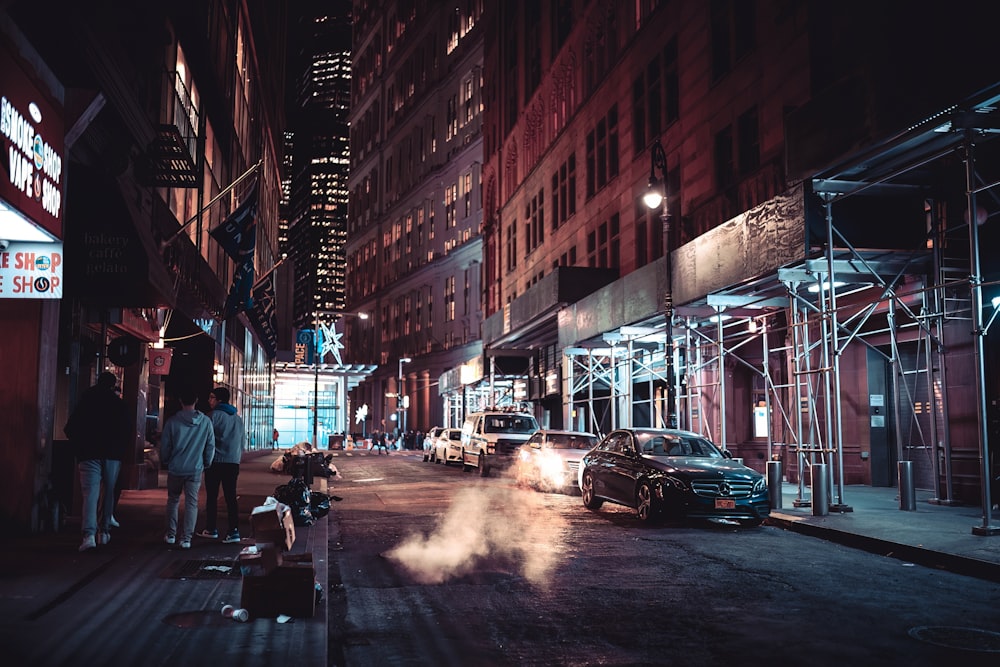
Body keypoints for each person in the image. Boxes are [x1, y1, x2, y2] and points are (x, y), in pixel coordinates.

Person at [64, 371, 131, 552]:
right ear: (112, 385)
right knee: (108, 492)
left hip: (88, 454)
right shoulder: (119, 405)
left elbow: (70, 428)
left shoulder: (85, 402)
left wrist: (80, 446)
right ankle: (104, 532)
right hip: (112, 455)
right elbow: (127, 432)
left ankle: (88, 535)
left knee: (90, 495)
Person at [160, 389, 215, 549]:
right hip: (195, 468)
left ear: (180, 401)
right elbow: (210, 445)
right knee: (192, 503)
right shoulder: (205, 422)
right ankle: (186, 539)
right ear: (196, 400)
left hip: (176, 468)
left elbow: (165, 445)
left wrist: (166, 461)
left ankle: (170, 535)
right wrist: (206, 462)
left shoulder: (172, 422)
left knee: (173, 500)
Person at [198, 387, 245, 543]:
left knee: (212, 496)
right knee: (231, 497)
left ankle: (211, 529)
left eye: (211, 397)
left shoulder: (212, 417)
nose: (209, 400)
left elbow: (205, 439)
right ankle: (234, 531)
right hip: (233, 463)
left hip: (216, 462)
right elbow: (242, 441)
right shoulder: (237, 418)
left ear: (218, 400)